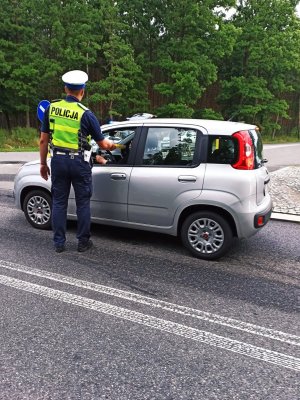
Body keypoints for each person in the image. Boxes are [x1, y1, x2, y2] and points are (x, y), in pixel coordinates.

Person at [39, 70, 124, 253]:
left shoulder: (51, 109)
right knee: (83, 203)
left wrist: (43, 164)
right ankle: (83, 242)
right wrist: (112, 146)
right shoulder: (86, 114)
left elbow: (43, 140)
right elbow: (102, 143)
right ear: (82, 91)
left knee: (59, 202)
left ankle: (59, 243)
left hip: (58, 162)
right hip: (79, 163)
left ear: (65, 89)